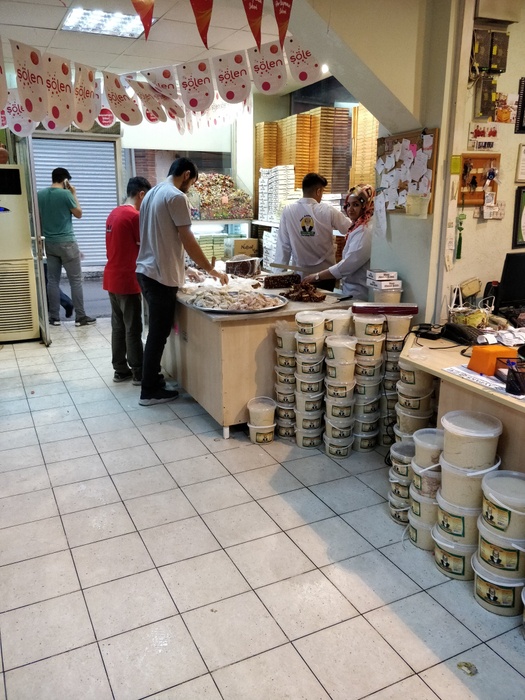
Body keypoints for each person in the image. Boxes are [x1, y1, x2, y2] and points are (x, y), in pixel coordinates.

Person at [136, 157, 228, 406]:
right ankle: (149, 390)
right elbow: (187, 239)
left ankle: (153, 380)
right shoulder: (176, 196)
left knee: (156, 332)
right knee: (158, 334)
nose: (191, 187)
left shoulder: (152, 193)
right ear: (186, 174)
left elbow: (159, 237)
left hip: (146, 271)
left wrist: (184, 268)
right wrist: (211, 269)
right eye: (193, 182)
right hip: (160, 277)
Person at [103, 176, 152, 385]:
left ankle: (120, 369)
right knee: (133, 327)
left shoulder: (113, 213)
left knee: (118, 326)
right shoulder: (134, 216)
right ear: (141, 194)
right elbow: (147, 247)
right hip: (126, 279)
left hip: (112, 278)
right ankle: (139, 371)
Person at [37, 167, 96, 326]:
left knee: (52, 281)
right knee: (75, 281)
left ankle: (54, 317)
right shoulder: (66, 194)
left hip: (49, 243)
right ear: (65, 180)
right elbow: (78, 213)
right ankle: (80, 317)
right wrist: (73, 193)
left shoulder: (39, 195)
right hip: (67, 243)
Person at [274, 172, 352, 291]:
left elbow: (283, 246)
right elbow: (350, 228)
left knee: (302, 300)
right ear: (318, 191)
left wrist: (278, 276)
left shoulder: (288, 211)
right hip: (325, 275)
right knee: (325, 301)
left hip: (301, 274)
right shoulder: (328, 210)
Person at [303, 183, 375, 301]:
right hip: (351, 290)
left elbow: (348, 265)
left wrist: (317, 276)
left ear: (365, 206)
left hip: (359, 294)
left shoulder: (365, 230)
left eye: (356, 205)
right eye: (348, 205)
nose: (350, 209)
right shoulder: (357, 226)